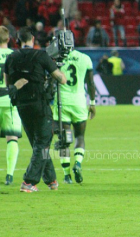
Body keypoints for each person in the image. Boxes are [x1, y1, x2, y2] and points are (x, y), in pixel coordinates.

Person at [4, 27, 67, 192]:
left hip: (21, 105)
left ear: (17, 41)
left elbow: (7, 84)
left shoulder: (11, 57)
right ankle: (29, 182)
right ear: (33, 39)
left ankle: (51, 179)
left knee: (38, 142)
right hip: (39, 103)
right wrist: (59, 66)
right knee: (43, 141)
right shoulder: (41, 55)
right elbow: (61, 79)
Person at [55, 48, 96, 184]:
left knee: (64, 140)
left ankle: (67, 176)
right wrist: (92, 103)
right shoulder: (85, 58)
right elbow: (90, 83)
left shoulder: (56, 59)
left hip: (63, 103)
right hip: (79, 102)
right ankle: (78, 163)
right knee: (79, 136)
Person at [0, 26, 23, 186]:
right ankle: (9, 175)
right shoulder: (16, 56)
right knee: (12, 138)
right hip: (11, 100)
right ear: (8, 39)